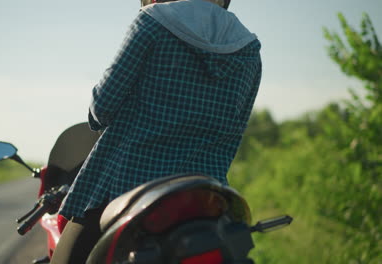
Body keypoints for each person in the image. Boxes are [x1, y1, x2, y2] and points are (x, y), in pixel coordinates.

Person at [51, 0, 261, 263]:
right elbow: (235, 131)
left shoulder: (152, 22)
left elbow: (102, 109)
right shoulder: (250, 48)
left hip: (129, 189)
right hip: (205, 200)